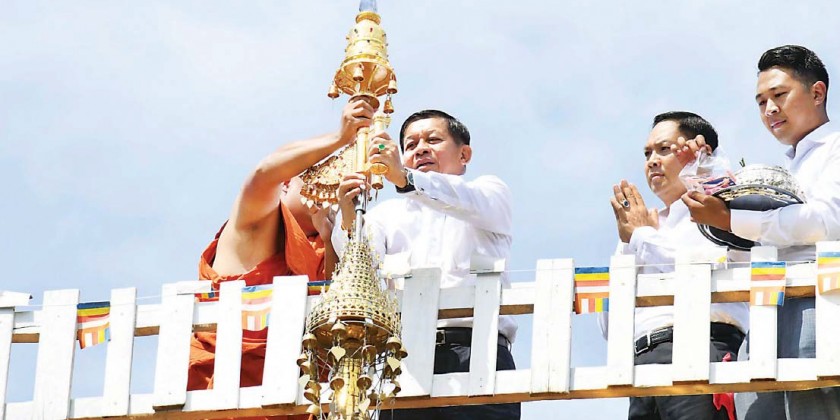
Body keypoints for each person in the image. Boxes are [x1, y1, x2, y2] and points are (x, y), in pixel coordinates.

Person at [676, 45, 840, 420]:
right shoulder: (785, 168)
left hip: (819, 304)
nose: (769, 109)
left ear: (817, 92)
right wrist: (706, 177)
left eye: (779, 95)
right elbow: (747, 248)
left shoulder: (835, 149)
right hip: (765, 311)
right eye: (761, 101)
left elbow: (825, 222)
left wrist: (731, 218)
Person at [187, 99, 375, 420]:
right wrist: (340, 138)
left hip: (298, 400)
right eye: (317, 176)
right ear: (286, 183)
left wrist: (333, 237)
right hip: (229, 395)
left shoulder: (324, 244)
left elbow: (336, 314)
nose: (329, 186)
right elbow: (264, 174)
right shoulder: (257, 224)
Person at [333, 109, 520, 419]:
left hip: (479, 352)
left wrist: (405, 179)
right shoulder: (386, 215)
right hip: (405, 362)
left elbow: (464, 198)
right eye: (410, 145)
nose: (420, 149)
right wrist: (349, 212)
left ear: (464, 154)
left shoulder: (489, 192)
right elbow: (360, 267)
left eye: (433, 140)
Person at [602, 111, 748, 420]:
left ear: (697, 151)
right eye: (647, 153)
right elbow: (610, 323)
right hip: (642, 363)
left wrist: (641, 237)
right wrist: (629, 242)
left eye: (664, 149)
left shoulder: (721, 209)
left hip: (702, 348)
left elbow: (698, 275)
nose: (652, 161)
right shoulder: (643, 224)